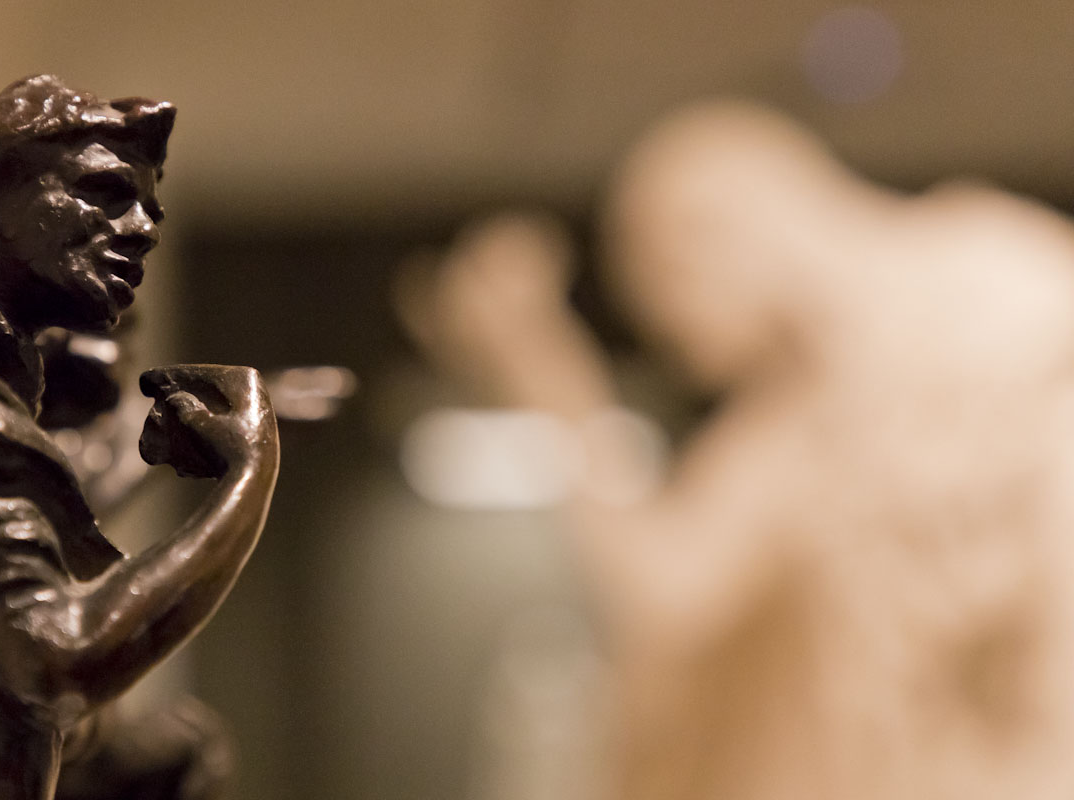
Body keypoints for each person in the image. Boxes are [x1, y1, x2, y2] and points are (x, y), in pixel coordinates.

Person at [399, 102, 1074, 800]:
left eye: (669, 311)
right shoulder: (804, 407)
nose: (690, 362)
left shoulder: (998, 281)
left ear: (703, 242)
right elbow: (669, 589)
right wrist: (553, 386)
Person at [0, 76, 279, 800]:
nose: (143, 228)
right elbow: (56, 658)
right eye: (105, 193)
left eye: (149, 208)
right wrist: (250, 472)